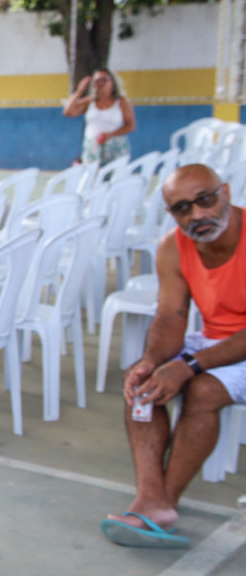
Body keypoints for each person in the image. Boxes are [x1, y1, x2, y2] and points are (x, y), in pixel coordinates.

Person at [102, 163, 245, 549]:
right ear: (171, 214)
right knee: (141, 381)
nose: (197, 214)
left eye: (205, 200)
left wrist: (190, 366)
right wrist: (152, 362)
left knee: (202, 391)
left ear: (226, 192)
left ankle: (161, 504)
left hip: (233, 348)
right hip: (216, 340)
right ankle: (153, 501)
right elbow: (169, 318)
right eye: (183, 208)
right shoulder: (173, 247)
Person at [63, 68, 136, 166]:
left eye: (104, 79)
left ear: (112, 82)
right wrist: (80, 91)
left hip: (115, 149)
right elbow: (68, 112)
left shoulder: (121, 102)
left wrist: (110, 135)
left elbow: (131, 125)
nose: (101, 83)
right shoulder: (90, 102)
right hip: (92, 149)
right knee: (91, 178)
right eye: (97, 80)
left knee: (114, 179)